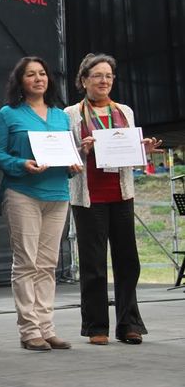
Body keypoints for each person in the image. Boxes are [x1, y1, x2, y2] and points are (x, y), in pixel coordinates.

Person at [65, 53, 161, 346]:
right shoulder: (71, 113)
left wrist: (141, 148)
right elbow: (68, 156)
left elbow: (127, 151)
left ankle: (129, 324)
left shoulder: (125, 111)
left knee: (128, 260)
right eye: (97, 76)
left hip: (121, 193)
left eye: (108, 76)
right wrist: (82, 149)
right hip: (89, 196)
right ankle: (96, 326)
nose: (104, 81)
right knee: (93, 264)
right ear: (84, 81)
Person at [0, 56, 80, 351]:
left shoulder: (61, 116)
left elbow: (68, 153)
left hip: (58, 194)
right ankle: (29, 330)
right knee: (26, 262)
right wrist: (22, 164)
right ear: (20, 81)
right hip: (22, 193)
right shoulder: (8, 113)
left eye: (42, 73)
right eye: (30, 74)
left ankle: (47, 327)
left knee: (47, 264)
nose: (38, 78)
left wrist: (73, 164)